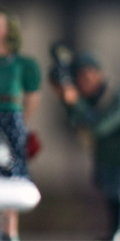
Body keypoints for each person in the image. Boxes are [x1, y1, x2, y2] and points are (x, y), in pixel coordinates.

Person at [0, 8, 42, 241]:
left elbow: (33, 97)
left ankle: (9, 232)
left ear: (9, 31)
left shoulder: (23, 64)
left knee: (11, 176)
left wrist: (19, 122)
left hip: (11, 121)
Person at [53, 53, 120, 241]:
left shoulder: (114, 99)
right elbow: (77, 122)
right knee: (112, 202)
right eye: (80, 77)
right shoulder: (92, 101)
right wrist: (68, 100)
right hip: (106, 165)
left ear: (99, 74)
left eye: (89, 74)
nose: (85, 81)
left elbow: (99, 126)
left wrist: (76, 102)